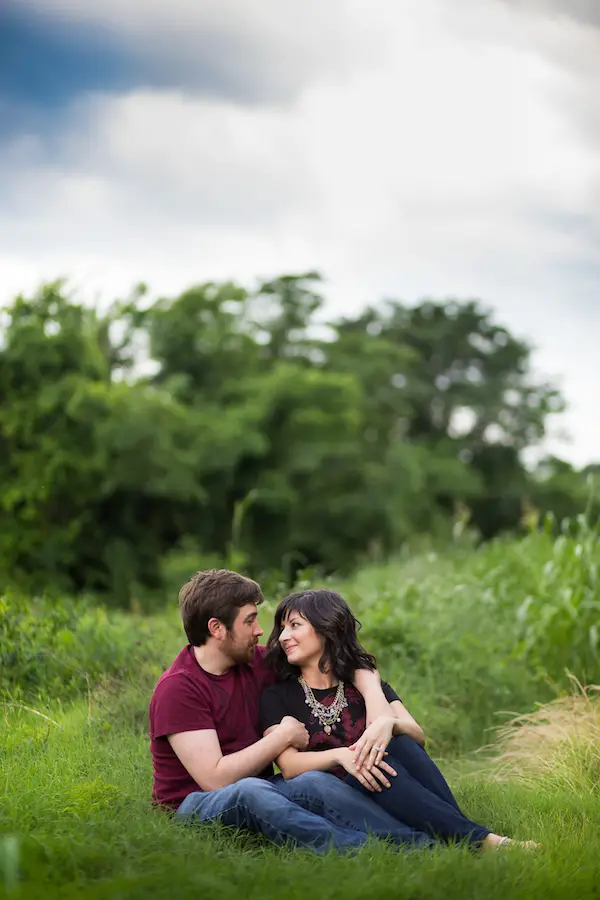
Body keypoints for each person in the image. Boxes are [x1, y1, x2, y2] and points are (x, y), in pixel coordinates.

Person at [149, 568, 434, 854]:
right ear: (216, 628)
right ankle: (360, 849)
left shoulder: (256, 663)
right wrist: (281, 736)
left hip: (262, 785)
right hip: (194, 804)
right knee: (251, 791)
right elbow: (215, 780)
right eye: (249, 620)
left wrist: (371, 686)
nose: (260, 630)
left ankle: (417, 842)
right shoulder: (179, 688)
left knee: (312, 780)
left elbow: (337, 658)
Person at [260, 588, 538, 851]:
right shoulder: (278, 695)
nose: (284, 636)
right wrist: (343, 756)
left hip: (386, 783)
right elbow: (288, 766)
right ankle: (480, 840)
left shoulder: (362, 681)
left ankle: (463, 835)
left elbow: (416, 735)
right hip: (336, 795)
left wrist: (376, 698)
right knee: (377, 763)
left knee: (399, 745)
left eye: (295, 625)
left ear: (327, 628)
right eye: (282, 628)